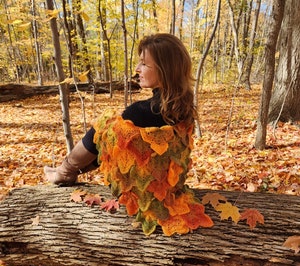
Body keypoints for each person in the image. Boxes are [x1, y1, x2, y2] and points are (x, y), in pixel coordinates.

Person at [44, 33, 213, 235]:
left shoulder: (140, 112)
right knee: (113, 130)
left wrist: (108, 126)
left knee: (106, 127)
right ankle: (67, 170)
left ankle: (66, 170)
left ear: (164, 69)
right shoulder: (182, 108)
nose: (137, 69)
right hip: (170, 189)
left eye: (144, 64)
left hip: (143, 195)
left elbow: (108, 147)